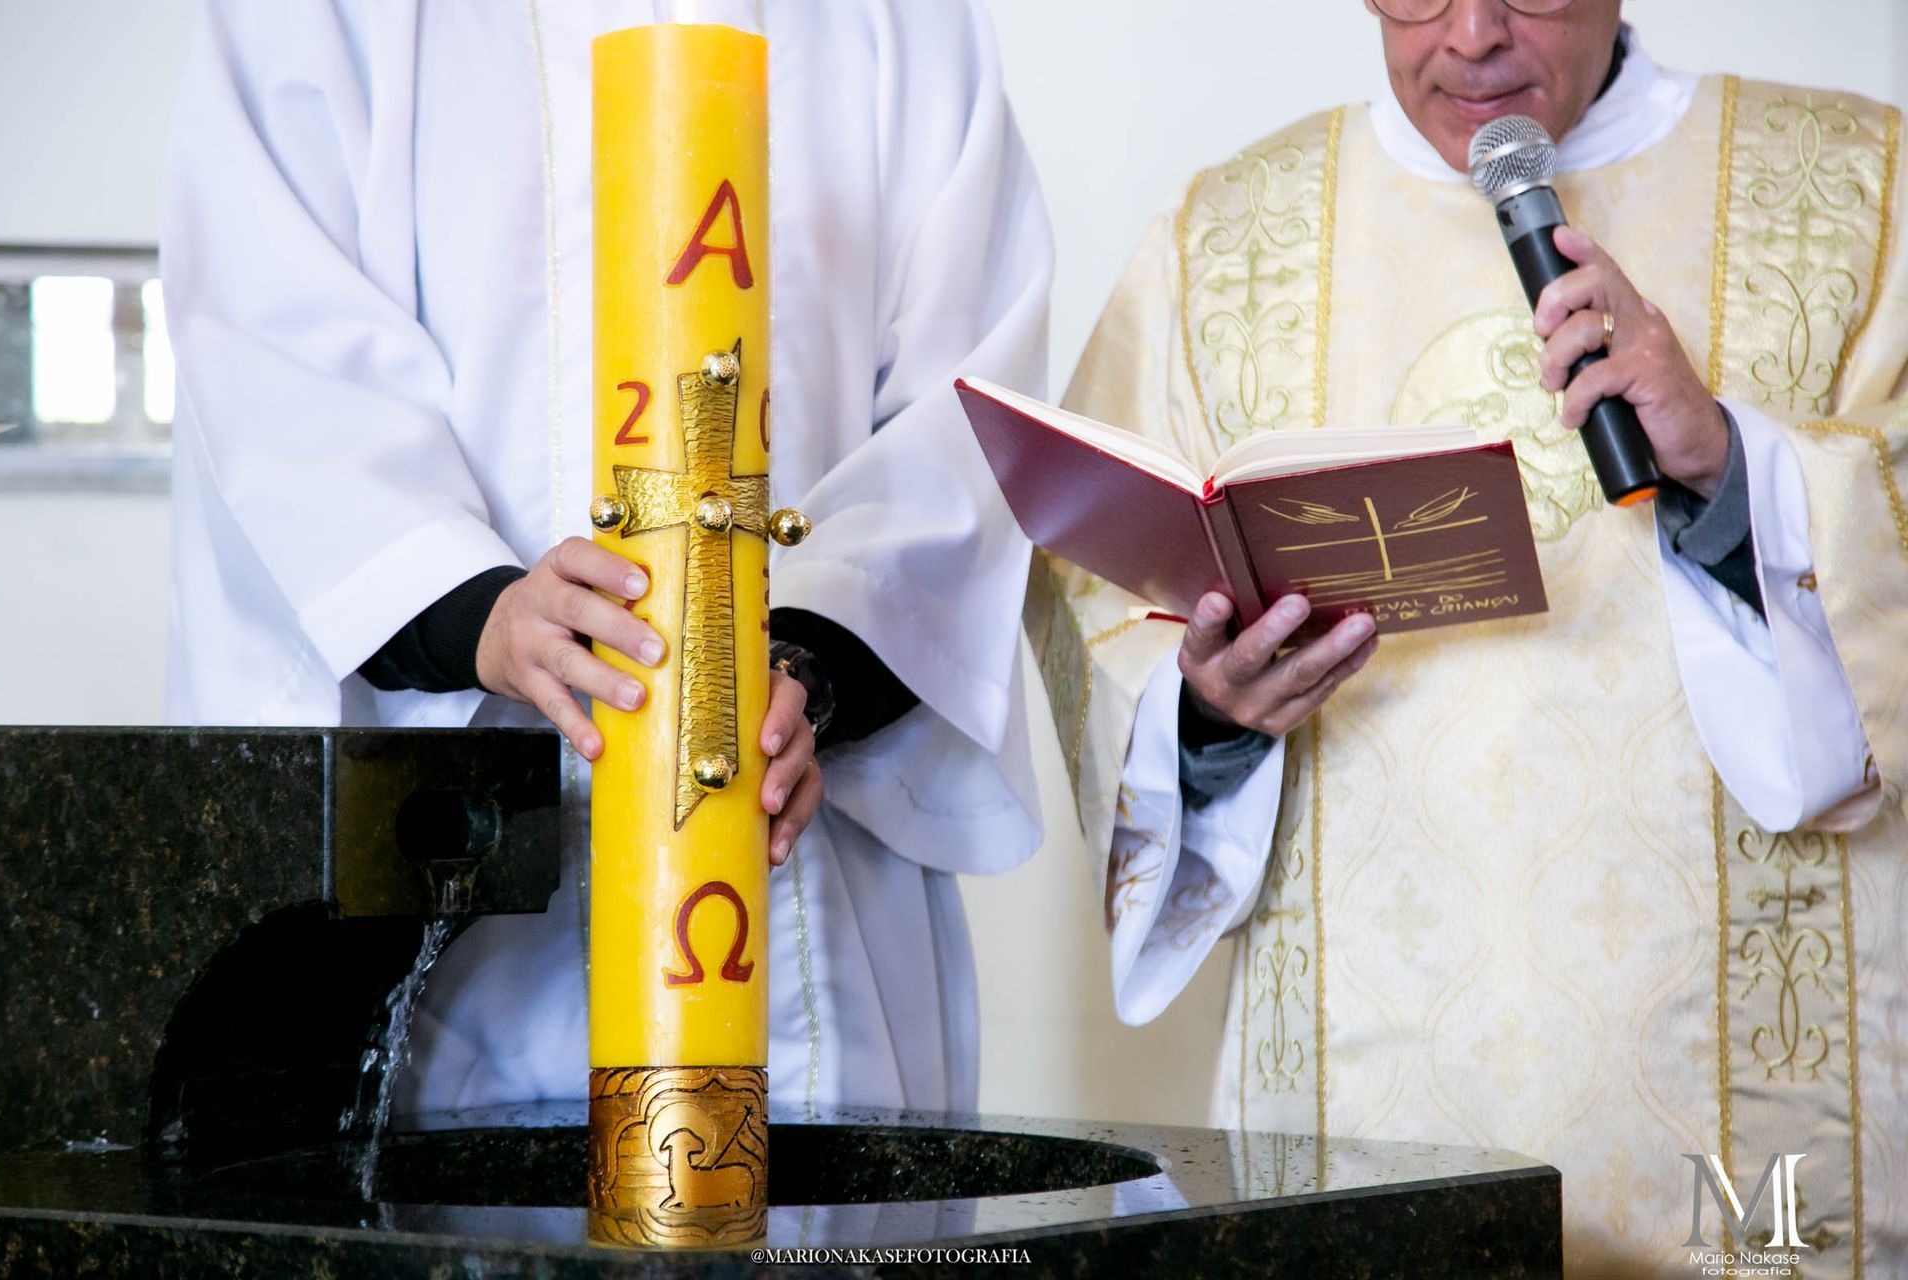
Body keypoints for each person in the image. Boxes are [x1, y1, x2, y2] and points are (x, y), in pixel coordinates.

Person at [1033, 0, 1906, 1270]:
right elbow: (1094, 599)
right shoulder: (1221, 239)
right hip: (1364, 1121)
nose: (1474, 34)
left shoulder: (1861, 193)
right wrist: (1206, 712)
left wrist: (1734, 468)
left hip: (1744, 1155)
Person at [160, 0, 1052, 1116]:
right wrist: (476, 610)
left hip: (811, 877)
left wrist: (810, 665)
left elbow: (964, 412)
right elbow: (272, 347)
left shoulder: (897, 20)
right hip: (465, 882)